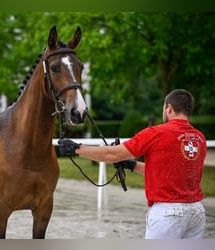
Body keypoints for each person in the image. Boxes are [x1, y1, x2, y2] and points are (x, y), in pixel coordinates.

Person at [58, 89, 207, 239]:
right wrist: (132, 165)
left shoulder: (156, 133)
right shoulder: (199, 138)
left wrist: (77, 148)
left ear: (169, 108)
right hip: (196, 212)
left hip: (168, 213)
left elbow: (113, 154)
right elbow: (167, 171)